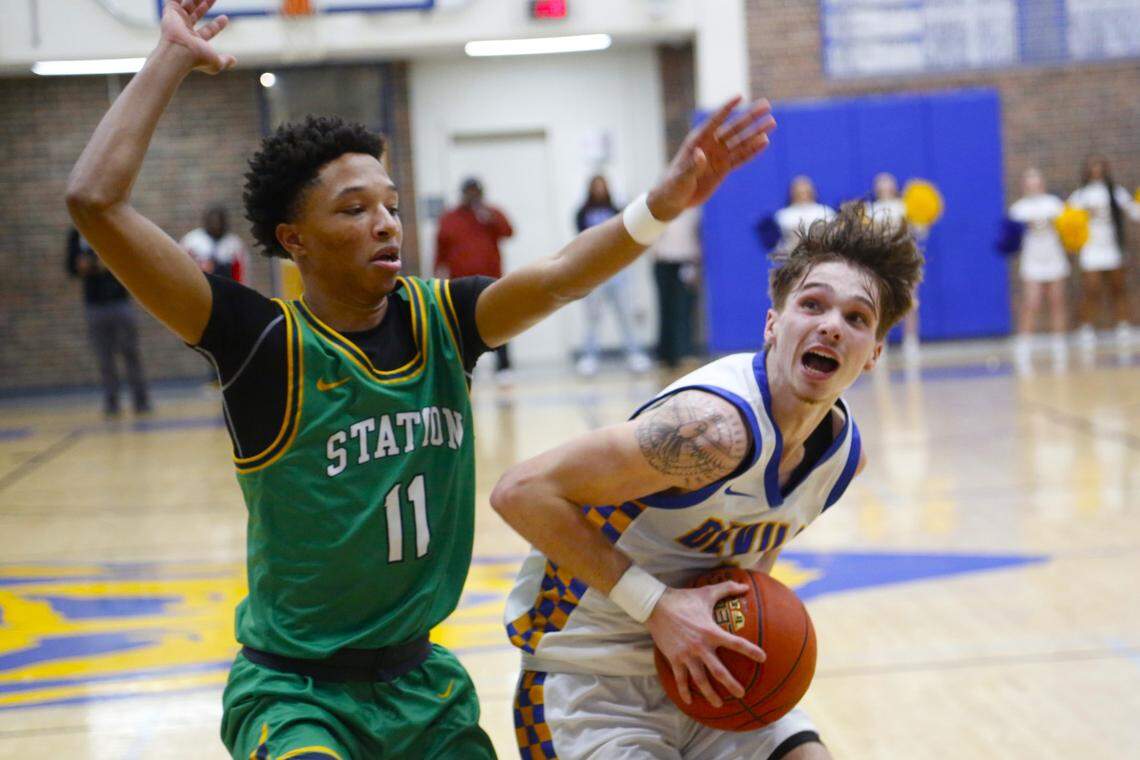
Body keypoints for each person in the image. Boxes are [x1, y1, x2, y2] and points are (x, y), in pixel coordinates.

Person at [65, 3, 777, 757]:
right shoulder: (262, 342)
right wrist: (168, 58)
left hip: (420, 686)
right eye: (355, 208)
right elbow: (94, 201)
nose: (386, 223)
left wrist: (658, 206)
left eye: (392, 206)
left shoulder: (446, 320)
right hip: (295, 690)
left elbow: (564, 276)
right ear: (292, 239)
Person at [492, 203, 923, 760]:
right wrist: (659, 607)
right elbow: (519, 491)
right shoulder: (709, 431)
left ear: (874, 354)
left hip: (708, 675)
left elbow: (746, 563)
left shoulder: (840, 461)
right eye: (812, 304)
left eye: (857, 318)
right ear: (773, 324)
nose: (831, 325)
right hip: (588, 681)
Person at [65, 227, 152, 417]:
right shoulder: (76, 234)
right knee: (104, 356)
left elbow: (125, 260)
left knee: (130, 352)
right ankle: (112, 402)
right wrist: (91, 265)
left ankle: (141, 401)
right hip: (94, 305)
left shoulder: (111, 229)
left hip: (120, 301)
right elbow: (72, 267)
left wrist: (98, 264)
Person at [436, 176, 516, 378]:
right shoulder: (449, 218)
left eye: (476, 192)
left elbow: (509, 231)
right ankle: (464, 366)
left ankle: (504, 367)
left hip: (491, 280)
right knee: (461, 325)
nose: (473, 196)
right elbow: (441, 249)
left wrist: (490, 218)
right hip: (460, 283)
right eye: (469, 192)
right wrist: (437, 274)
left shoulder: (490, 214)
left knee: (499, 323)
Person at [574, 175, 653, 376]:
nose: (599, 190)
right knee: (593, 318)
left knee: (626, 316)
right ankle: (589, 357)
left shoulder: (618, 210)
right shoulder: (582, 212)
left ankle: (634, 354)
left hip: (618, 272)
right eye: (596, 186)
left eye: (603, 186)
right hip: (594, 273)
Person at [1067, 155, 1139, 347]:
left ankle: (1123, 325)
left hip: (1112, 244)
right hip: (1091, 246)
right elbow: (1068, 220)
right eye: (1093, 167)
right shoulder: (1080, 195)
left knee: (1118, 286)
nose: (1096, 171)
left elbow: (1133, 211)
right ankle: (1087, 327)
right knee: (1091, 287)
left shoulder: (1115, 192)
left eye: (1100, 166)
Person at [1008, 168, 1070, 372]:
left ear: (1042, 183)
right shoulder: (1018, 209)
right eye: (1028, 182)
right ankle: (1024, 345)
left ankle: (1059, 344)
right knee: (1031, 302)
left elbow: (1068, 229)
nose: (1033, 185)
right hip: (1032, 257)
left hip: (1053, 254)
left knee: (1056, 300)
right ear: (1024, 185)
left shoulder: (1054, 204)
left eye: (1036, 181)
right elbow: (1010, 240)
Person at [866, 172, 921, 363]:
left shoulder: (904, 207)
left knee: (909, 301)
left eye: (888, 183)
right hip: (881, 260)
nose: (885, 187)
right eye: (881, 184)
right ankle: (881, 342)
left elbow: (917, 231)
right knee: (880, 303)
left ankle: (911, 342)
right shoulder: (871, 210)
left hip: (904, 258)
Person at [651, 205, 702, 369]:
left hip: (685, 259)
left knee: (684, 308)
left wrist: (695, 262)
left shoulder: (694, 209)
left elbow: (696, 234)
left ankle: (683, 352)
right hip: (663, 260)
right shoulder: (659, 206)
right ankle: (665, 354)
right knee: (665, 307)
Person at [181, 204, 248, 282]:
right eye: (212, 221)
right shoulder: (191, 241)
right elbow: (182, 266)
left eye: (219, 221)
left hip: (226, 287)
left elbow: (241, 273)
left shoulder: (234, 244)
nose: (216, 225)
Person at [773, 176, 834, 256]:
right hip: (792, 258)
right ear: (792, 193)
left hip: (822, 256)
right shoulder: (783, 215)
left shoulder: (825, 211)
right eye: (799, 192)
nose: (803, 194)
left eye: (806, 191)